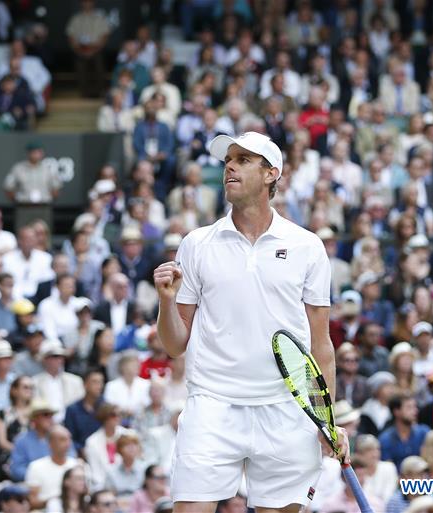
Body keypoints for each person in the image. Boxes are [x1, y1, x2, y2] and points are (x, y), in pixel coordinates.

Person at [153, 131, 344, 511]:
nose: (229, 166)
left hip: (286, 410)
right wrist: (166, 301)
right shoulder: (196, 244)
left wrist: (327, 420)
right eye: (228, 160)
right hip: (211, 405)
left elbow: (320, 343)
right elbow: (175, 344)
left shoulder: (307, 246)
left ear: (272, 173)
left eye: (242, 159)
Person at [24, 426, 78, 510]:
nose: (68, 443)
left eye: (69, 439)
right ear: (50, 444)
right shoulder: (36, 467)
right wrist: (53, 501)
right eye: (62, 439)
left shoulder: (77, 465)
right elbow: (32, 501)